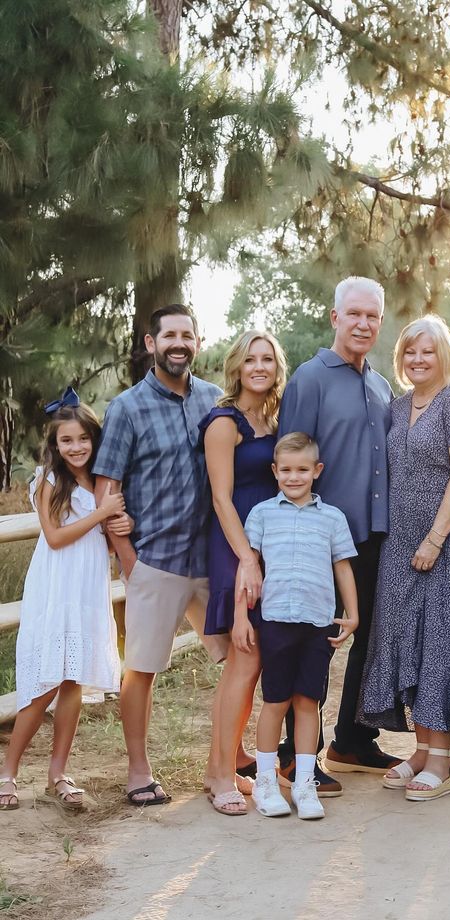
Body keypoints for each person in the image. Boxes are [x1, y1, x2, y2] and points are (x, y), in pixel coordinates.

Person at [360, 316, 450, 801]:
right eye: (409, 352)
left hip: (447, 542)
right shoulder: (399, 408)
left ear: (444, 355)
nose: (418, 360)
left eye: (427, 351)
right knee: (410, 640)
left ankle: (442, 759)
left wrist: (435, 539)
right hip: (400, 542)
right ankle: (423, 749)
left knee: (441, 638)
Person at [93, 304, 227, 806]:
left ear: (198, 342)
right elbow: (108, 488)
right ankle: (138, 770)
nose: (178, 343)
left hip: (210, 562)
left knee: (242, 659)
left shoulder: (215, 400)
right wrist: (128, 559)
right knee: (142, 669)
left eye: (186, 335)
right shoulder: (126, 408)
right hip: (157, 560)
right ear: (151, 343)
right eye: (168, 335)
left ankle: (226, 764)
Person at [277, 276, 399, 794]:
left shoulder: (381, 384)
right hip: (322, 537)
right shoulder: (310, 378)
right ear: (334, 318)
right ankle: (293, 754)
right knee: (317, 642)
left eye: (372, 316)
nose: (364, 324)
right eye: (354, 314)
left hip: (373, 537)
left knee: (368, 638)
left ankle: (352, 737)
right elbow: (289, 459)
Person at [0, 393, 129, 811]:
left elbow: (107, 543)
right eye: (65, 441)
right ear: (54, 445)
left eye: (82, 439)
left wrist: (119, 520)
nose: (75, 447)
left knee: (73, 680)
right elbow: (55, 537)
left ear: (95, 439)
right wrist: (101, 513)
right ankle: (7, 770)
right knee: (45, 683)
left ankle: (58, 773)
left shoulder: (104, 482)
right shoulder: (48, 481)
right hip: (56, 589)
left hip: (88, 589)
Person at [246, 433, 359, 819]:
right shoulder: (262, 514)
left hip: (317, 622)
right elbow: (249, 568)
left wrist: (354, 614)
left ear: (317, 471)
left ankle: (305, 783)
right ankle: (265, 782)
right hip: (275, 620)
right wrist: (240, 617)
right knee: (275, 701)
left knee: (308, 702)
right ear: (275, 472)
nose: (294, 477)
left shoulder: (332, 518)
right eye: (286, 470)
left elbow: (343, 566)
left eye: (302, 470)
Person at [199, 330, 287, 816]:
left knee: (249, 665)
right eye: (251, 358)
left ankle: (225, 766)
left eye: (267, 358)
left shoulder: (272, 419)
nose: (259, 366)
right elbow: (220, 498)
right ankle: (218, 775)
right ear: (236, 366)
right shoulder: (223, 422)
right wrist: (247, 559)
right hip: (236, 550)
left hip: (270, 546)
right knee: (245, 660)